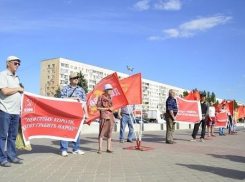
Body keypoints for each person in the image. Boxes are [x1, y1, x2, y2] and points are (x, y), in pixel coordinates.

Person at [0, 56, 24, 167]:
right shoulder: (3, 75)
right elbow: (4, 91)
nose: (17, 65)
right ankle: (2, 158)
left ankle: (12, 156)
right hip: (5, 110)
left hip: (15, 111)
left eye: (19, 64)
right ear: (8, 63)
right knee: (3, 136)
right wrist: (18, 89)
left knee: (12, 136)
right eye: (15, 63)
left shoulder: (16, 77)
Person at [60, 72, 89, 157]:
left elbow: (84, 103)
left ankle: (76, 149)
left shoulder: (81, 90)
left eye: (77, 78)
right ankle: (64, 149)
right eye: (74, 78)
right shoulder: (65, 88)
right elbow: (62, 99)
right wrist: (74, 98)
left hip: (77, 113)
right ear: (70, 80)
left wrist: (86, 114)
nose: (76, 79)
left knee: (77, 131)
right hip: (67, 113)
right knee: (65, 130)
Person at [97, 84, 115, 154]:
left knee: (109, 133)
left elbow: (112, 107)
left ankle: (108, 148)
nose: (111, 91)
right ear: (106, 90)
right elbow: (98, 108)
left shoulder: (111, 98)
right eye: (109, 89)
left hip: (110, 116)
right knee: (102, 132)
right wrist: (107, 108)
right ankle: (100, 149)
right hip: (104, 117)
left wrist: (112, 111)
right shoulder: (101, 97)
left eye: (111, 89)